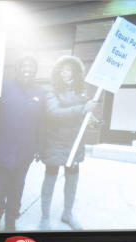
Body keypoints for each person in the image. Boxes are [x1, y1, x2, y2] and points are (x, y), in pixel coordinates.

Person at [0, 55, 44, 232]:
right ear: (17, 68)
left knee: (16, 189)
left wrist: (39, 147)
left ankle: (10, 221)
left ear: (35, 71)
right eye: (24, 65)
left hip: (24, 151)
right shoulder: (3, 87)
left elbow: (42, 122)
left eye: (31, 66)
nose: (27, 69)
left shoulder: (40, 92)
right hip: (0, 148)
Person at [39, 55, 97, 230]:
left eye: (69, 69)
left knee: (72, 180)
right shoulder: (52, 91)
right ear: (58, 72)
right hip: (55, 141)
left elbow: (85, 114)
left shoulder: (82, 91)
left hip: (75, 142)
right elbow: (54, 113)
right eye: (63, 70)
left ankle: (67, 214)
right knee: (50, 178)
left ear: (76, 72)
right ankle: (45, 217)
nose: (66, 73)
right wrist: (82, 109)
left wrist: (92, 118)